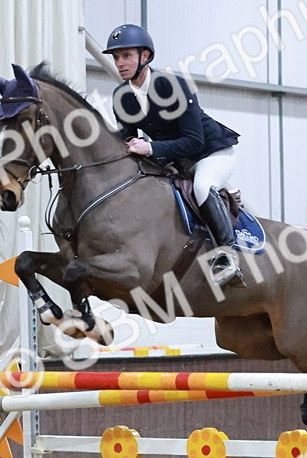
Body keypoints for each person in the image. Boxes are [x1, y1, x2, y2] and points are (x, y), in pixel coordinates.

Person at [104, 24, 243, 287]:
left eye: (126, 56)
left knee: (202, 185)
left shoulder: (173, 86)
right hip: (175, 159)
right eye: (116, 57)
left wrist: (152, 148)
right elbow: (129, 137)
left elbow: (194, 141)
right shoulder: (122, 96)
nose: (119, 63)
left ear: (145, 57)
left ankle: (227, 257)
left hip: (211, 153)